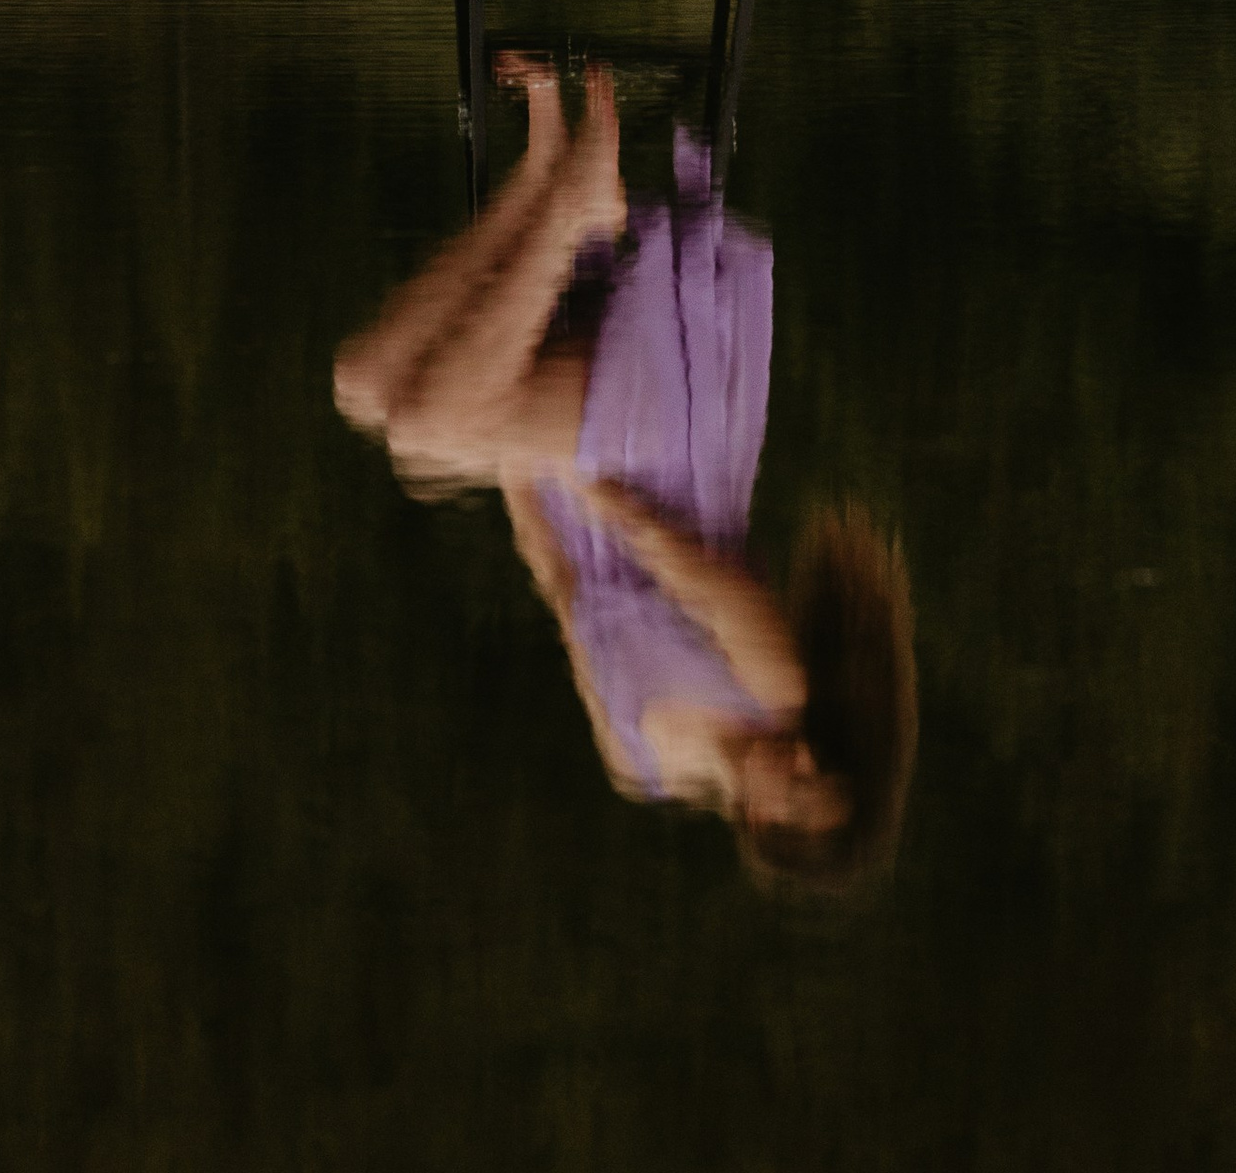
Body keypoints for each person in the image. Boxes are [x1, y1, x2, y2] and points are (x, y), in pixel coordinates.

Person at [333, 58, 918, 893]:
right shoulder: (777, 687)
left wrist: (519, 475)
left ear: (757, 820)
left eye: (797, 787)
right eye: (820, 766)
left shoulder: (634, 758)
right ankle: (570, 204)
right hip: (660, 455)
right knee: (428, 426)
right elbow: (682, 560)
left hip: (582, 489)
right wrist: (572, 476)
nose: (799, 757)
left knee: (366, 389)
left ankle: (542, 176)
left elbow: (566, 592)